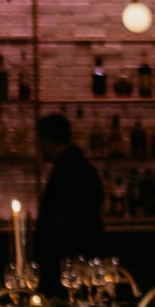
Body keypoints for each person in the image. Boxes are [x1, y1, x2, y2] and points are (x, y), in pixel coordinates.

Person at [34, 113, 106, 292]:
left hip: (66, 263)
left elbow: (57, 221)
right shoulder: (84, 167)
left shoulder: (64, 171)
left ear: (46, 142)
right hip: (87, 256)